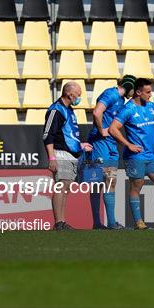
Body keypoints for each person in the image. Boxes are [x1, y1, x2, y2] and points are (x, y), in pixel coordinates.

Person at [109, 78, 154, 230]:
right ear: (138, 92)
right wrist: (128, 145)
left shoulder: (151, 107)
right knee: (136, 186)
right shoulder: (128, 109)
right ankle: (139, 222)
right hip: (135, 156)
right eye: (147, 92)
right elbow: (113, 128)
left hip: (152, 156)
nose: (150, 95)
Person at [87, 75, 137, 230]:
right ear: (129, 87)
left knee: (109, 182)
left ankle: (110, 222)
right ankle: (99, 222)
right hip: (99, 142)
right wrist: (101, 130)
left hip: (110, 144)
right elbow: (97, 112)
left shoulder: (121, 101)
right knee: (98, 183)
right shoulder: (111, 94)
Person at [43, 82, 92, 230]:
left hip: (70, 155)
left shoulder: (69, 110)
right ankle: (59, 222)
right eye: (78, 94)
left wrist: (80, 145)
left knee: (66, 188)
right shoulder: (56, 110)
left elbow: (68, 135)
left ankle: (62, 222)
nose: (79, 97)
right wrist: (52, 158)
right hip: (60, 154)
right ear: (70, 94)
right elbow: (47, 135)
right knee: (61, 187)